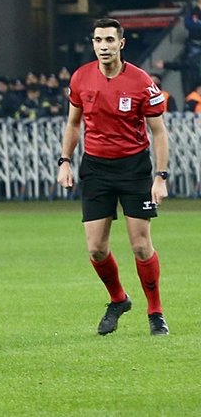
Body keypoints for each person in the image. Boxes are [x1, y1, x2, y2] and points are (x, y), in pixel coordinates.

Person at [57, 18, 170, 336]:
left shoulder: (141, 81)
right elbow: (73, 124)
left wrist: (160, 176)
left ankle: (155, 312)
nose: (103, 46)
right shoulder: (81, 78)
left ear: (121, 43)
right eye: (98, 40)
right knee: (96, 248)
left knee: (141, 245)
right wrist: (65, 161)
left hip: (134, 168)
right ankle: (119, 299)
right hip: (96, 168)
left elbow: (159, 132)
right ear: (92, 44)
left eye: (109, 40)